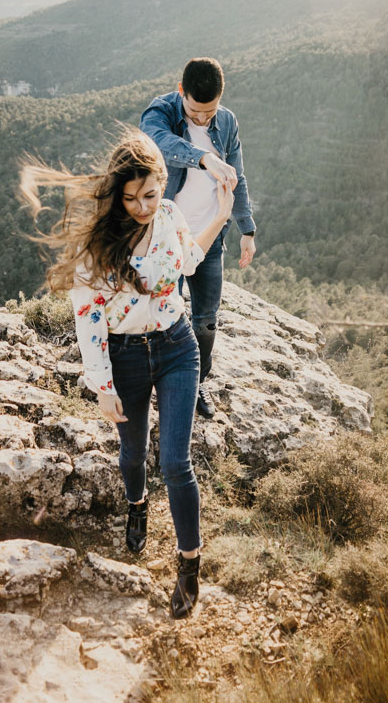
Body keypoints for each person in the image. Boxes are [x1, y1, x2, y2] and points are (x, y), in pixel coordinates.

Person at [19, 129, 233, 620]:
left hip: (178, 347)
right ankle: (136, 504)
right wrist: (103, 387)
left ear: (163, 184)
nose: (142, 206)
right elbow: (88, 317)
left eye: (151, 195)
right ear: (117, 194)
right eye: (131, 198)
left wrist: (220, 215)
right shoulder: (100, 245)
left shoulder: (172, 217)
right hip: (125, 358)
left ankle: (189, 565)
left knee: (175, 463)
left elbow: (189, 260)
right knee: (133, 453)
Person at [140, 57, 256, 419]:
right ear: (181, 92)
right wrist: (205, 158)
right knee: (167, 316)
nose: (204, 119)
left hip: (209, 236)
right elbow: (158, 143)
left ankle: (196, 382)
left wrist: (246, 229)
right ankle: (162, 384)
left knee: (205, 319)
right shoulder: (160, 112)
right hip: (165, 238)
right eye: (195, 111)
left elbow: (237, 176)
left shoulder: (228, 121)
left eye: (210, 112)